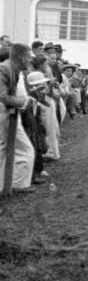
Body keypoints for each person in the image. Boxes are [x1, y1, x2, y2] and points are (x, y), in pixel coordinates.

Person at [0, 43, 36, 193]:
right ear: (22, 58)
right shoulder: (4, 69)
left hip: (7, 114)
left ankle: (7, 185)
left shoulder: (12, 70)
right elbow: (2, 97)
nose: (30, 61)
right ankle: (17, 184)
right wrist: (20, 102)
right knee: (25, 149)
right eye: (29, 57)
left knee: (4, 149)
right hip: (4, 114)